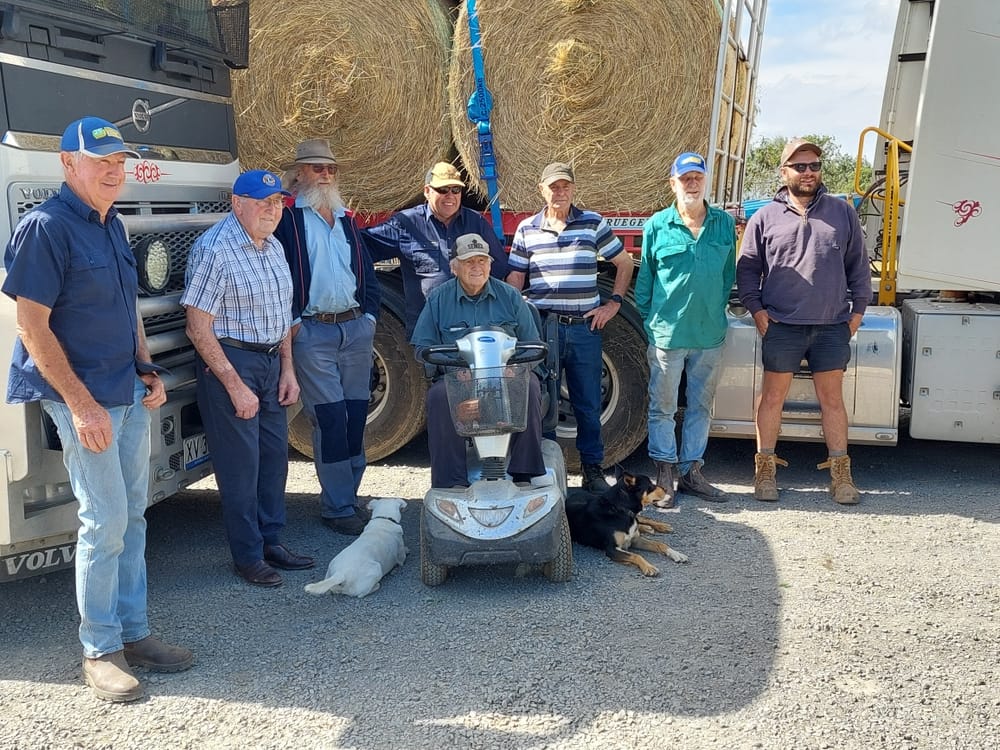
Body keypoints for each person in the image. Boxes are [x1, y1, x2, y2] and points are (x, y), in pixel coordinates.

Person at [3, 116, 193, 702]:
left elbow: (126, 307)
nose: (115, 172)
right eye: (101, 162)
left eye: (119, 163)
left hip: (127, 390)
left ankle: (135, 634)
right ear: (68, 164)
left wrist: (147, 369)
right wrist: (83, 407)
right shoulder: (45, 228)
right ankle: (100, 648)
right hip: (83, 399)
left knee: (134, 514)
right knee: (104, 520)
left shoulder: (113, 224)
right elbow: (31, 325)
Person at [182, 169, 314, 587]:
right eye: (262, 202)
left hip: (272, 362)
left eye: (277, 203)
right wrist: (234, 384)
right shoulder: (215, 250)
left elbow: (282, 318)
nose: (272, 211)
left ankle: (272, 541)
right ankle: (247, 555)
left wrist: (288, 369)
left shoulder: (273, 247)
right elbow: (198, 327)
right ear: (236, 203)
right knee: (241, 467)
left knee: (274, 460)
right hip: (232, 363)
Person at [736, 137, 869, 504]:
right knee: (772, 398)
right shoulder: (765, 217)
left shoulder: (842, 212)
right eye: (800, 166)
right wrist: (759, 313)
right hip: (782, 325)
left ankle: (841, 475)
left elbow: (858, 267)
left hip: (831, 327)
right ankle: (765, 472)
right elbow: (747, 271)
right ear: (784, 172)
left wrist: (856, 314)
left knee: (833, 401)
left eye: (814, 166)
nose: (808, 172)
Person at [274, 139, 381, 536]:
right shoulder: (287, 220)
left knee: (355, 417)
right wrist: (295, 322)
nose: (326, 175)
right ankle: (337, 507)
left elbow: (366, 272)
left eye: (331, 169)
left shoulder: (347, 218)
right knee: (331, 419)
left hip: (355, 328)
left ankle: (348, 499)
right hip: (313, 331)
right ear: (300, 173)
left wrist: (370, 315)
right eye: (318, 168)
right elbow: (277, 274)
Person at [506, 162, 633, 492]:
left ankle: (592, 470)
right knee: (544, 402)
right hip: (543, 328)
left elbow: (624, 262)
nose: (559, 192)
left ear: (573, 189)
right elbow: (517, 276)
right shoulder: (526, 229)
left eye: (565, 186)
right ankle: (546, 469)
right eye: (553, 187)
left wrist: (614, 303)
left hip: (583, 328)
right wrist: (512, 307)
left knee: (588, 403)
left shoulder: (592, 223)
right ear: (541, 190)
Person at [635, 152, 736, 508]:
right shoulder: (657, 226)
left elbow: (727, 277)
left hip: (709, 335)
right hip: (668, 335)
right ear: (672, 183)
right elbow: (644, 280)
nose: (691, 183)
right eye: (685, 178)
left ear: (705, 180)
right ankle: (665, 472)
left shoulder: (723, 224)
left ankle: (691, 471)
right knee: (662, 407)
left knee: (700, 406)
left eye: (697, 177)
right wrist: (653, 323)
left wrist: (713, 311)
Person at [411, 233, 546, 489]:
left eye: (482, 260)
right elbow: (422, 347)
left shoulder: (511, 296)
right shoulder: (439, 299)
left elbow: (533, 343)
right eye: (469, 261)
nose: (477, 267)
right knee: (439, 397)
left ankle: (525, 473)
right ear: (454, 267)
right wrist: (451, 370)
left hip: (506, 377)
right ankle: (450, 482)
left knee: (528, 386)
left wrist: (515, 370)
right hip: (460, 380)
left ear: (490, 264)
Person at [362, 161, 508, 336]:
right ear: (427, 191)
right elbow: (362, 248)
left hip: (472, 328)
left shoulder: (476, 223)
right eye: (442, 190)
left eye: (456, 190)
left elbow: (498, 267)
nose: (450, 196)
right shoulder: (406, 224)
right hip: (428, 330)